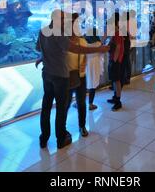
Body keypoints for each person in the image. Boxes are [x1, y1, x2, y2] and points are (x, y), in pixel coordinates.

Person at [36, 10, 109, 149]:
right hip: (61, 77)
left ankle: (43, 139)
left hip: (47, 75)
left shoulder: (42, 31)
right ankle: (61, 139)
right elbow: (76, 49)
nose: (66, 22)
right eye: (64, 19)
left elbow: (38, 48)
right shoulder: (60, 34)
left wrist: (43, 57)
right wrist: (100, 48)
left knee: (46, 107)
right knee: (61, 109)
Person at [66, 14, 89, 137]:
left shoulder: (83, 42)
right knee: (66, 103)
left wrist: (82, 68)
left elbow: (85, 58)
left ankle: (82, 126)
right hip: (67, 77)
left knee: (81, 102)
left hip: (81, 76)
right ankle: (63, 128)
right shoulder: (63, 42)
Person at [107, 13, 125, 111]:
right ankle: (115, 98)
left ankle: (118, 101)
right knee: (115, 80)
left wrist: (114, 60)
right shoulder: (116, 32)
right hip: (115, 59)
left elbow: (118, 47)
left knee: (117, 81)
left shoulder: (117, 33)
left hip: (116, 60)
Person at [84, 29, 105, 111]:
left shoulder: (84, 44)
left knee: (83, 83)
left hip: (85, 64)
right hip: (95, 64)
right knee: (93, 84)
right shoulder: (99, 44)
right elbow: (101, 54)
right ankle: (90, 104)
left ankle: (79, 102)